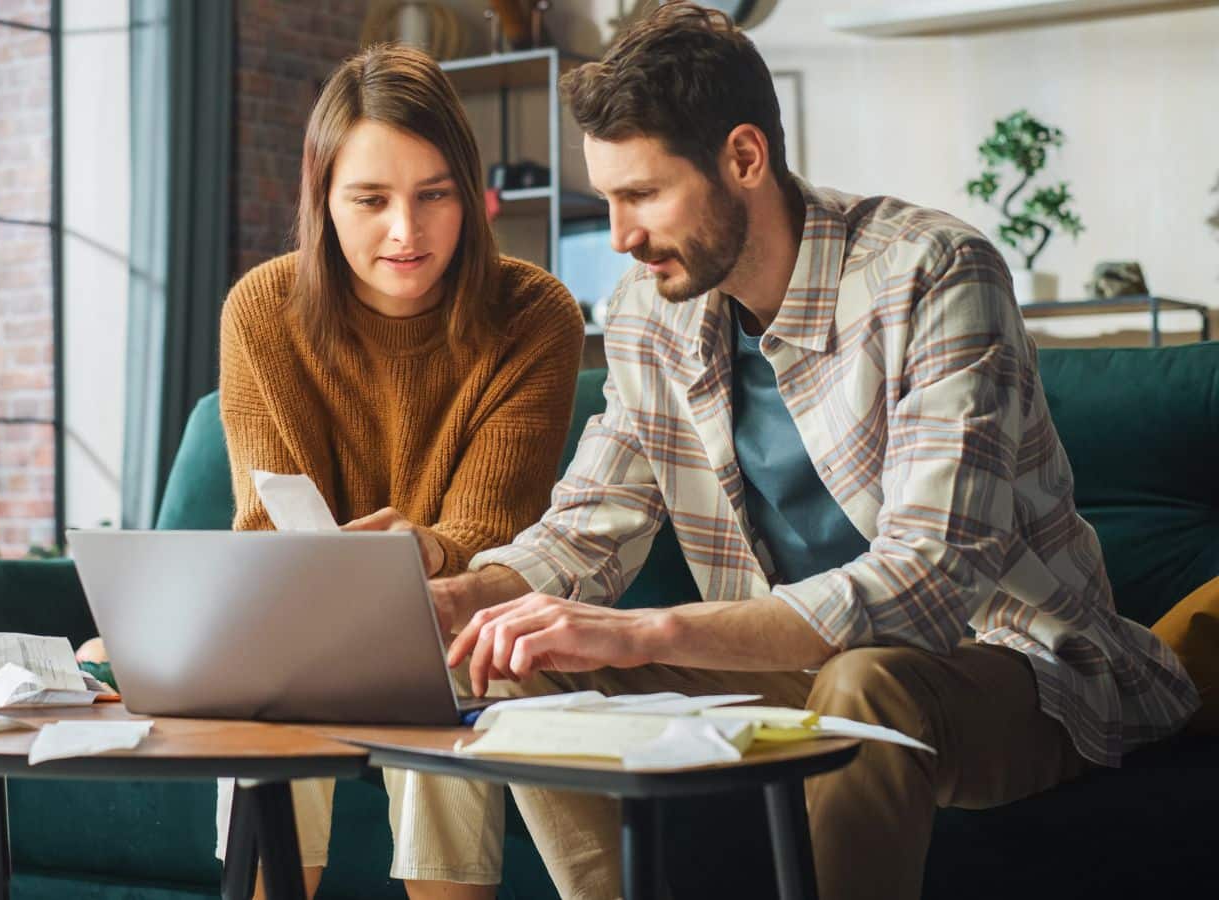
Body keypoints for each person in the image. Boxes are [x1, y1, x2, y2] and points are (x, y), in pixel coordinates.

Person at [431, 4, 1199, 899]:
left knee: (866, 684)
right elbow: (586, 531)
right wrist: (458, 601)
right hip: (788, 670)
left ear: (744, 158)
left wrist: (650, 628)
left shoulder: (936, 273)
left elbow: (929, 580)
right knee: (520, 665)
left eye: (641, 195)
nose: (619, 237)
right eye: (608, 198)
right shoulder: (650, 317)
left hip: (1008, 665)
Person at [80, 44, 585, 900]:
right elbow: (270, 531)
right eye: (371, 199)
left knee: (442, 658)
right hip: (293, 623)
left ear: (470, 193)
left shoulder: (536, 314)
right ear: (322, 199)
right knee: (272, 677)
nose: (406, 231)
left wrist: (421, 551)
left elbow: (492, 535)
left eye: (434, 195)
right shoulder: (263, 310)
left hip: (455, 616)